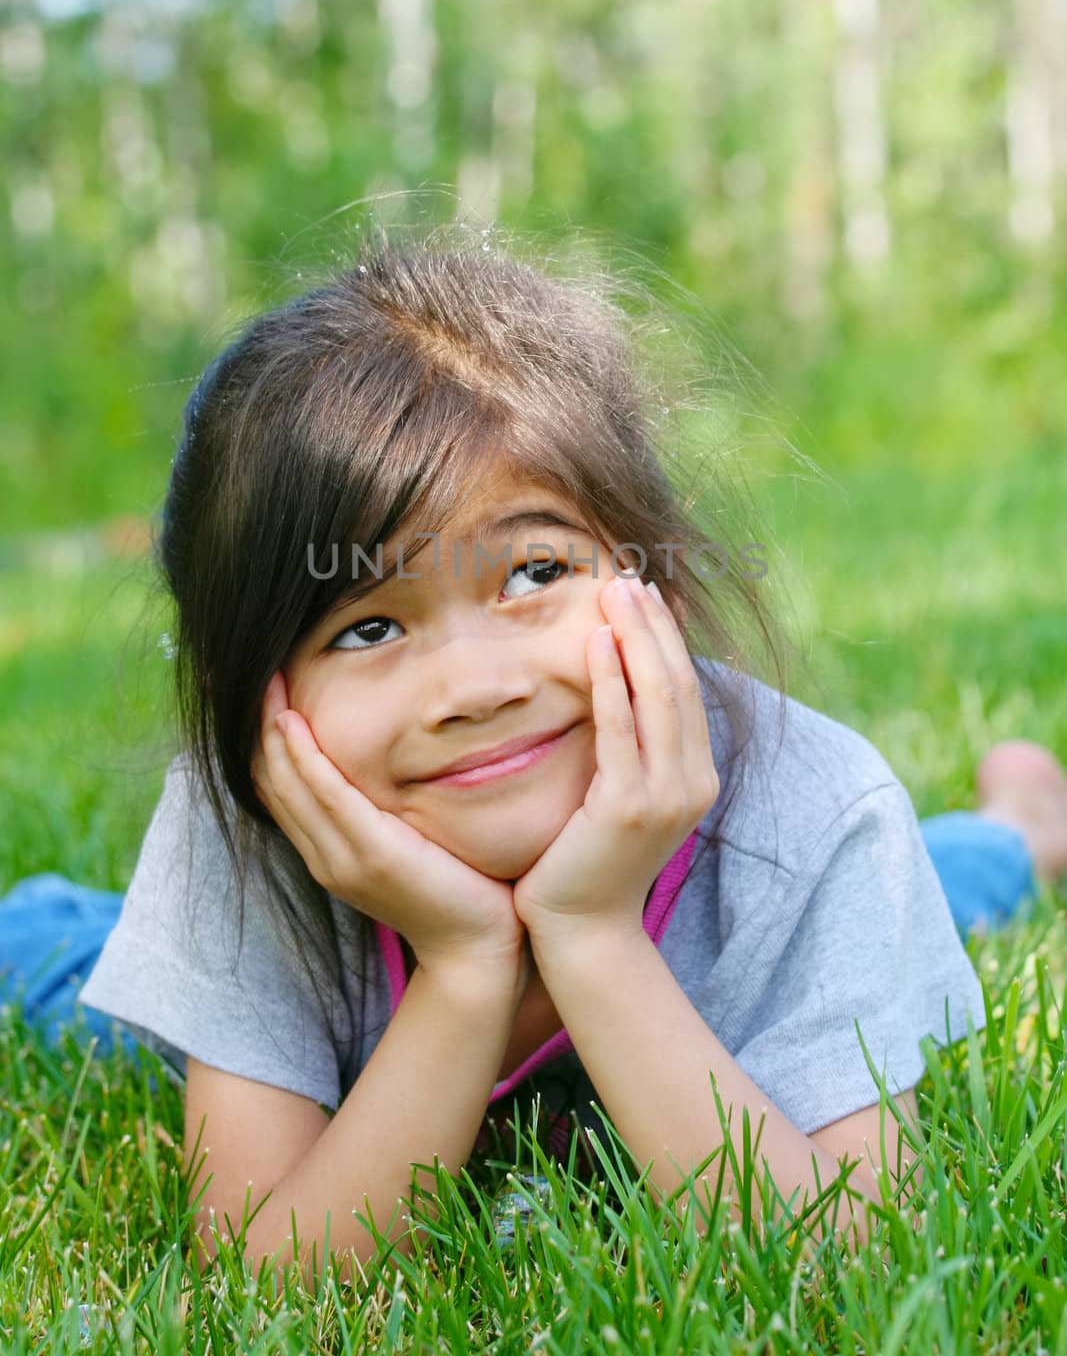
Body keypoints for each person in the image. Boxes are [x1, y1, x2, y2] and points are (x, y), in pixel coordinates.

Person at [1, 237, 1061, 1284]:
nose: (477, 686)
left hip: (791, 908)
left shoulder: (818, 814)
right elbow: (274, 1283)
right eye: (367, 627)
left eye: (534, 570)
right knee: (52, 965)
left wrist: (589, 931)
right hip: (277, 1002)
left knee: (937, 883)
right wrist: (464, 966)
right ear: (254, 697)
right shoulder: (245, 820)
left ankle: (1015, 826)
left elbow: (846, 1264)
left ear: (664, 584)